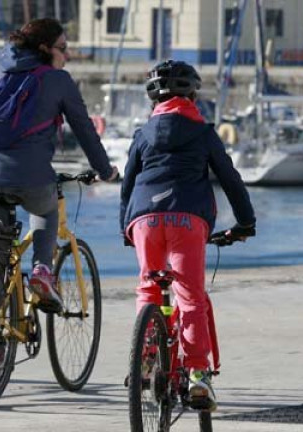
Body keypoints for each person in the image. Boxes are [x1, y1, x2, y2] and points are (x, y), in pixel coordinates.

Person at [0, 18, 118, 379]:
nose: (67, 55)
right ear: (44, 50)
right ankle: (42, 270)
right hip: (32, 180)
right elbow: (84, 128)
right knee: (47, 211)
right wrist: (105, 169)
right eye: (63, 48)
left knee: (2, 264)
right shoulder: (57, 81)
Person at [119, 60, 256, 411]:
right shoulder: (202, 131)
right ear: (193, 95)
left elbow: (129, 183)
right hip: (187, 218)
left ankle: (147, 359)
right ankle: (197, 375)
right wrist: (245, 222)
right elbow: (229, 178)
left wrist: (126, 226)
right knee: (190, 296)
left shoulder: (142, 134)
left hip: (144, 218)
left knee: (149, 287)